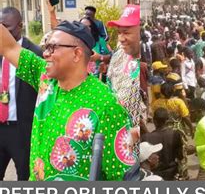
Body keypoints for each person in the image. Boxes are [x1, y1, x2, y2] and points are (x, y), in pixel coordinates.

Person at [0, 21, 136, 181]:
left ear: (77, 54)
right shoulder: (45, 78)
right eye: (45, 47)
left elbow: (123, 177)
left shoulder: (106, 105)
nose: (45, 54)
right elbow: (10, 47)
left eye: (52, 47)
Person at [0, 7, 43, 181]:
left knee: (25, 178)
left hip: (22, 130)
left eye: (6, 28)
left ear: (20, 26)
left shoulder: (34, 54)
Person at [106, 5, 143, 142]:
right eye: (119, 32)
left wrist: (138, 132)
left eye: (126, 32)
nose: (121, 38)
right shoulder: (118, 57)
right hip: (116, 141)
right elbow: (109, 90)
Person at [141, 108, 184, 181]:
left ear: (154, 121)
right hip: (171, 173)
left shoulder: (146, 137)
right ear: (167, 120)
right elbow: (180, 156)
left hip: (154, 174)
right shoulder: (175, 134)